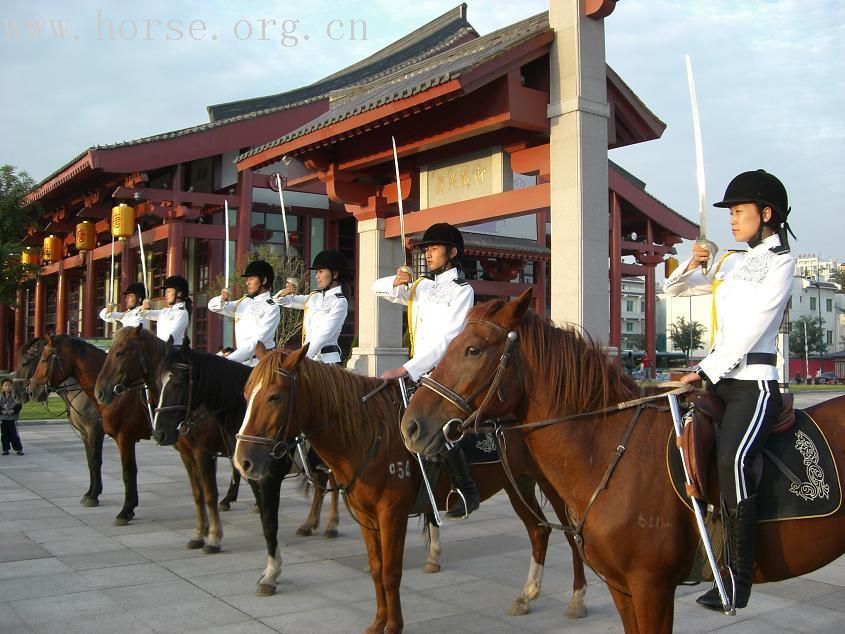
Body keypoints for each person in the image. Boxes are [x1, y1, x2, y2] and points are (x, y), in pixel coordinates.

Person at [664, 169, 795, 611]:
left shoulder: (781, 263)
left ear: (767, 213)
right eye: (731, 212)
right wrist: (694, 262)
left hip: (752, 385)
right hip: (720, 379)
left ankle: (737, 580)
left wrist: (705, 370)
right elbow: (673, 290)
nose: (732, 220)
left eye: (739, 211)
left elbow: (751, 329)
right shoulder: (732, 262)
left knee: (732, 459)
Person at [373, 222, 477, 519]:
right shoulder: (422, 287)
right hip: (418, 371)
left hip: (443, 373)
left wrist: (407, 369)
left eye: (434, 248)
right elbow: (375, 289)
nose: (428, 254)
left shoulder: (462, 291)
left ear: (452, 252)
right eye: (426, 249)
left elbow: (448, 340)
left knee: (445, 430)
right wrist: (398, 280)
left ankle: (467, 491)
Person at [274, 250, 348, 364]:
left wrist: (303, 358)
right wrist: (286, 291)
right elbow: (281, 301)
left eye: (321, 272)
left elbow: (324, 334)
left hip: (326, 362)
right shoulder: (314, 297)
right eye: (316, 272)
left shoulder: (339, 302)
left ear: (335, 274)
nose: (317, 276)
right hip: (307, 358)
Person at [208, 260, 280, 367]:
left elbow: (256, 343)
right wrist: (222, 299)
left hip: (260, 364)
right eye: (247, 279)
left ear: (264, 280)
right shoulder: (244, 302)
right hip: (241, 361)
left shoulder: (272, 307)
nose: (247, 283)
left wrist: (229, 361)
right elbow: (212, 307)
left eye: (251, 279)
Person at [140, 275, 191, 346]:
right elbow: (146, 314)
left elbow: (171, 338)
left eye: (169, 292)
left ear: (179, 293)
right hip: (161, 349)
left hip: (174, 350)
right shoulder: (165, 311)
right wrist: (145, 305)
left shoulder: (182, 313)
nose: (166, 295)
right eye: (165, 292)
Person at [1, 378, 24, 455]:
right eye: (6, 385)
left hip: (12, 419)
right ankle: (5, 449)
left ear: (12, 386)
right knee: (4, 435)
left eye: (9, 385)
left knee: (14, 435)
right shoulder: (0, 398)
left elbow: (19, 405)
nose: (8, 387)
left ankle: (18, 449)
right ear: (2, 387)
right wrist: (2, 411)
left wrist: (12, 411)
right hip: (3, 419)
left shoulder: (16, 396)